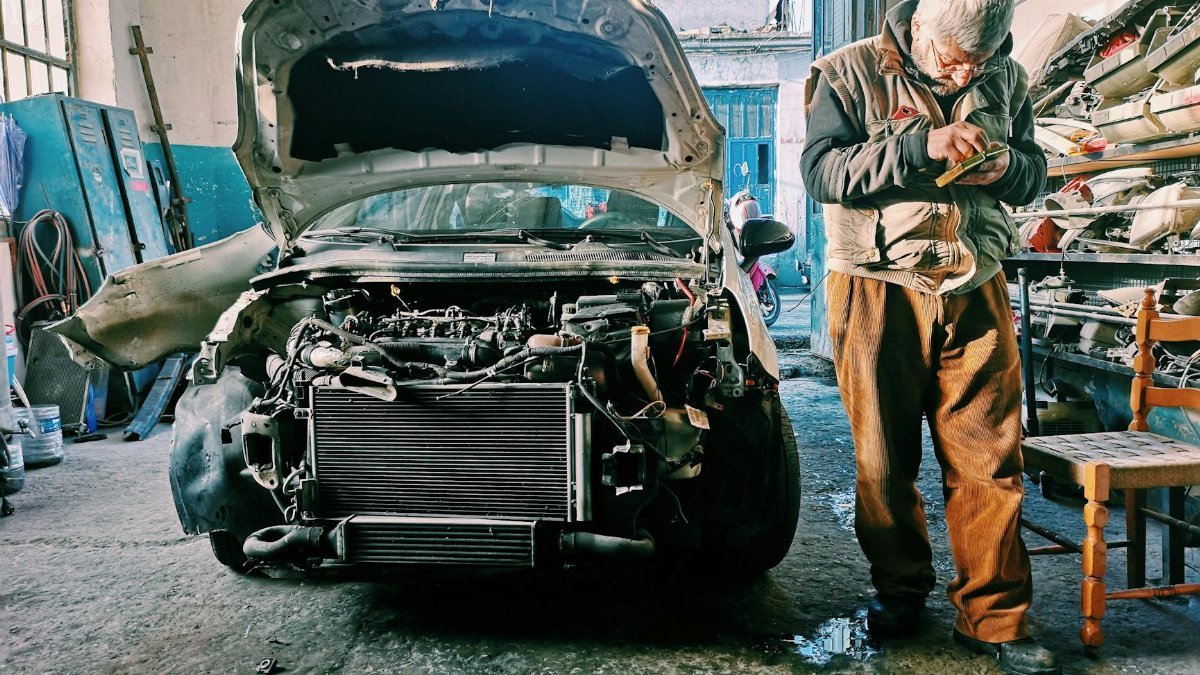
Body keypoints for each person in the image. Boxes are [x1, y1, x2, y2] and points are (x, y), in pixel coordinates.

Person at [800, 1, 1058, 674]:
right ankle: (900, 586)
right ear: (916, 31)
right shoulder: (846, 72)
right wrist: (921, 146)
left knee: (989, 459)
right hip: (875, 283)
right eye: (953, 60)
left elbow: (1036, 175)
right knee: (884, 461)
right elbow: (823, 173)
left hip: (976, 283)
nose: (966, 72)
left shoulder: (1006, 78)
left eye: (980, 60)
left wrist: (1003, 170)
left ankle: (994, 618)